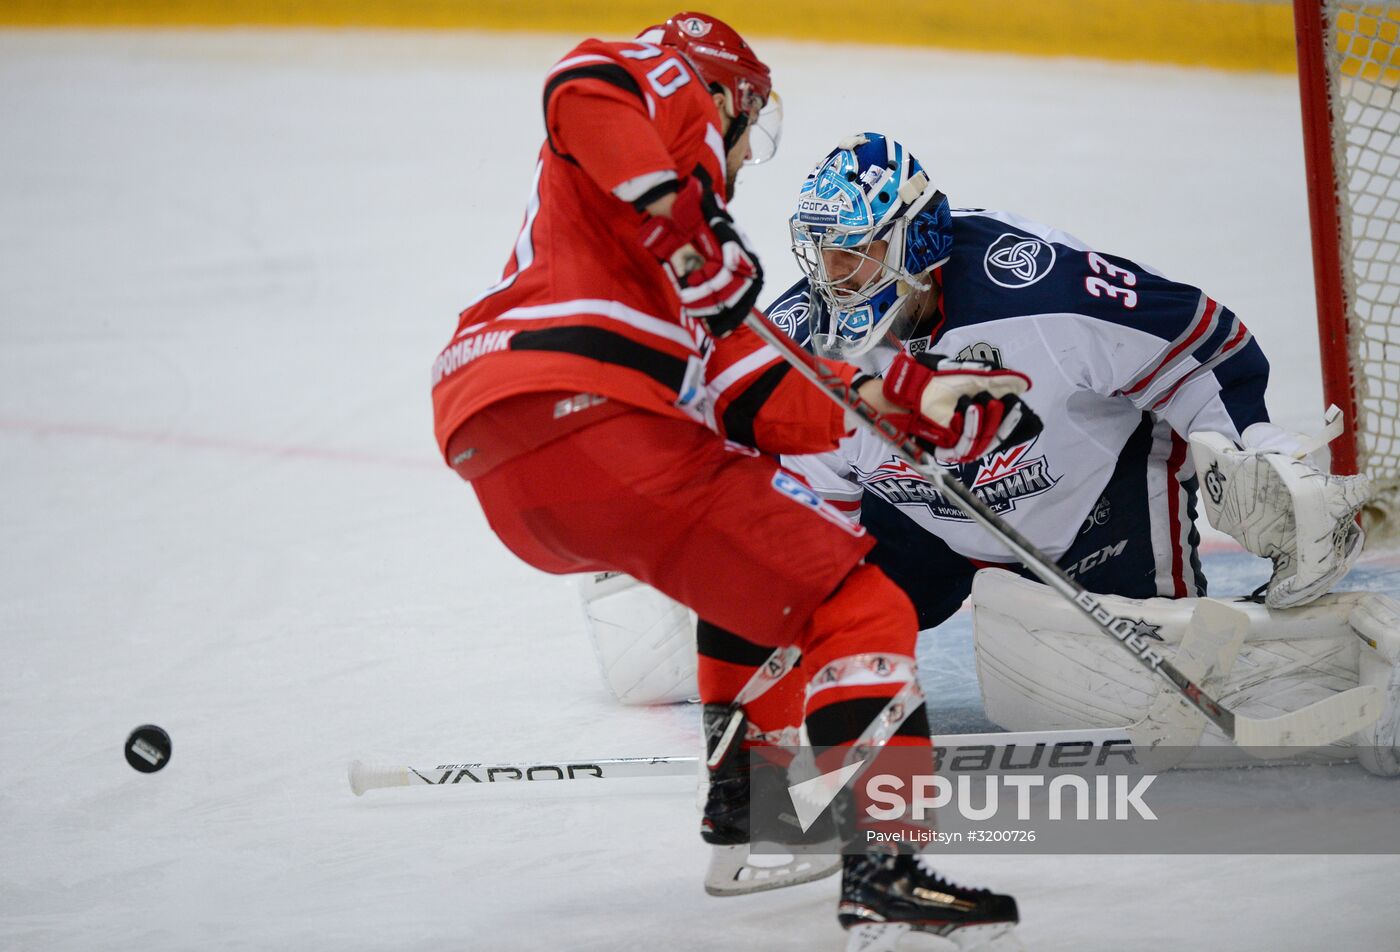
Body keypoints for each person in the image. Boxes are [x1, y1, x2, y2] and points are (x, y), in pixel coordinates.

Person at [430, 18, 1033, 951]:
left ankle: (748, 817)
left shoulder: (661, 260)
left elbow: (760, 393)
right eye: (753, 128)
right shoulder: (666, 118)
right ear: (725, 98)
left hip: (510, 453)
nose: (751, 156)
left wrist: (908, 398)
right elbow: (585, 79)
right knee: (866, 609)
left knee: (761, 563)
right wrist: (689, 224)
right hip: (587, 413)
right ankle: (887, 875)